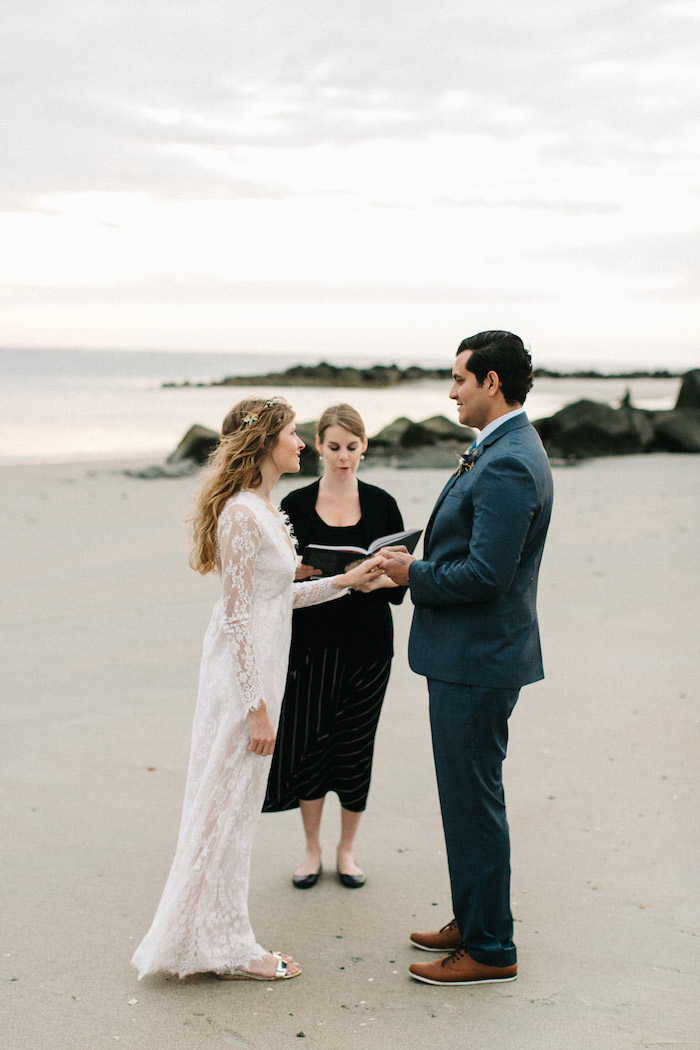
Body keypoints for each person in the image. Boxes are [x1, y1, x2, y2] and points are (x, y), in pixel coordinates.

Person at [131, 397, 383, 982]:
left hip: (260, 674)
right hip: (241, 684)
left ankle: (209, 940)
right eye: (295, 434)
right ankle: (229, 946)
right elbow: (240, 615)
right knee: (224, 810)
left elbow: (279, 600)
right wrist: (256, 707)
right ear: (267, 442)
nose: (302, 443)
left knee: (232, 812)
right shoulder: (243, 515)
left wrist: (348, 581)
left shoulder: (265, 508)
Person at [378, 331, 553, 986]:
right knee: (465, 797)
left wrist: (410, 574)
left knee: (473, 799)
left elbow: (485, 575)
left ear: (491, 385)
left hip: (478, 657)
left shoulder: (508, 461)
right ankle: (472, 914)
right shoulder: (498, 447)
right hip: (473, 654)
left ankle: (489, 947)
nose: (450, 390)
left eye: (458, 379)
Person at [263, 404, 406, 889]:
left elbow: (404, 582)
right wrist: (317, 576)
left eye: (352, 447)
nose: (343, 456)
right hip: (309, 645)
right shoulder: (297, 506)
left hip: (369, 646)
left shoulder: (384, 504)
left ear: (364, 446)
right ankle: (311, 851)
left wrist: (372, 582)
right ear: (318, 446)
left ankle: (346, 851)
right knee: (309, 746)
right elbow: (278, 581)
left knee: (354, 749)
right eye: (333, 447)